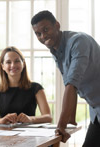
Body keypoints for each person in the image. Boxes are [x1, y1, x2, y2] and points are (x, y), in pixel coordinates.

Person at [31, 10, 100, 146]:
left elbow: (72, 84)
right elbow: (71, 86)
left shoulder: (78, 42)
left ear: (57, 25)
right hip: (96, 112)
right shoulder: (57, 51)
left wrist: (61, 126)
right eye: (38, 33)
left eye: (46, 29)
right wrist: (71, 119)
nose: (43, 36)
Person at [0, 47, 52, 125]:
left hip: (29, 134)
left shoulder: (36, 88)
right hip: (4, 134)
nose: (13, 65)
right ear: (3, 66)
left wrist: (30, 119)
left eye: (17, 61)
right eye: (8, 62)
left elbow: (48, 117)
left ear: (23, 63)